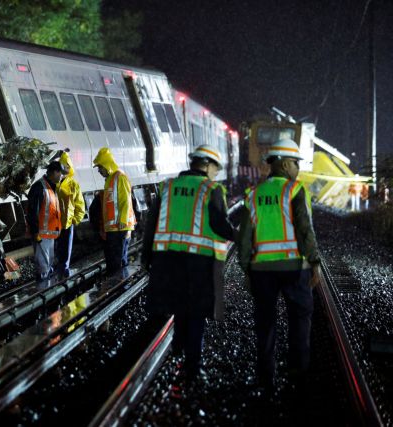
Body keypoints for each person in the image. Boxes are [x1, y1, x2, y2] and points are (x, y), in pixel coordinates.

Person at [141, 144, 236, 380]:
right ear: (206, 164)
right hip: (199, 263)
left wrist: (146, 257)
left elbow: (151, 225)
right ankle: (192, 366)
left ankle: (177, 351)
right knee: (196, 313)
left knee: (179, 308)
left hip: (167, 261)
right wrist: (241, 234)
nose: (216, 172)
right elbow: (219, 225)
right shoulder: (211, 189)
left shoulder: (168, 187)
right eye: (215, 167)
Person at [238, 138, 322, 393]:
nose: (298, 168)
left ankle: (266, 378)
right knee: (300, 319)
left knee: (265, 323)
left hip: (262, 271)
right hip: (295, 268)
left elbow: (244, 237)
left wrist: (246, 269)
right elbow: (305, 231)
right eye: (296, 163)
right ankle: (297, 375)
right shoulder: (295, 191)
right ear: (285, 164)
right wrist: (315, 261)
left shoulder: (253, 194)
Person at [92, 147, 136, 274]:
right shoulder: (110, 180)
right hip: (113, 229)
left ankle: (121, 286)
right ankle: (118, 285)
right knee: (114, 262)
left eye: (100, 167)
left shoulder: (119, 177)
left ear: (107, 165)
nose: (99, 171)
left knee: (118, 262)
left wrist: (122, 219)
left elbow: (125, 199)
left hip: (120, 227)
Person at [26, 161, 66, 279]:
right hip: (41, 236)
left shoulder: (50, 188)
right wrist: (35, 232)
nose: (61, 176)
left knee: (47, 265)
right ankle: (42, 290)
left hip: (49, 236)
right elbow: (32, 211)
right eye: (60, 173)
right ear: (54, 172)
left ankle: (47, 289)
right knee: (43, 266)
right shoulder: (39, 187)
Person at [55, 151, 85, 278]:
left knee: (65, 249)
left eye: (67, 167)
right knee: (57, 248)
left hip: (67, 223)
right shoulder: (54, 183)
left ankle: (64, 270)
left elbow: (79, 204)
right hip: (55, 223)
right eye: (63, 167)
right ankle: (58, 269)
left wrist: (75, 220)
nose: (65, 169)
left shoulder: (73, 184)